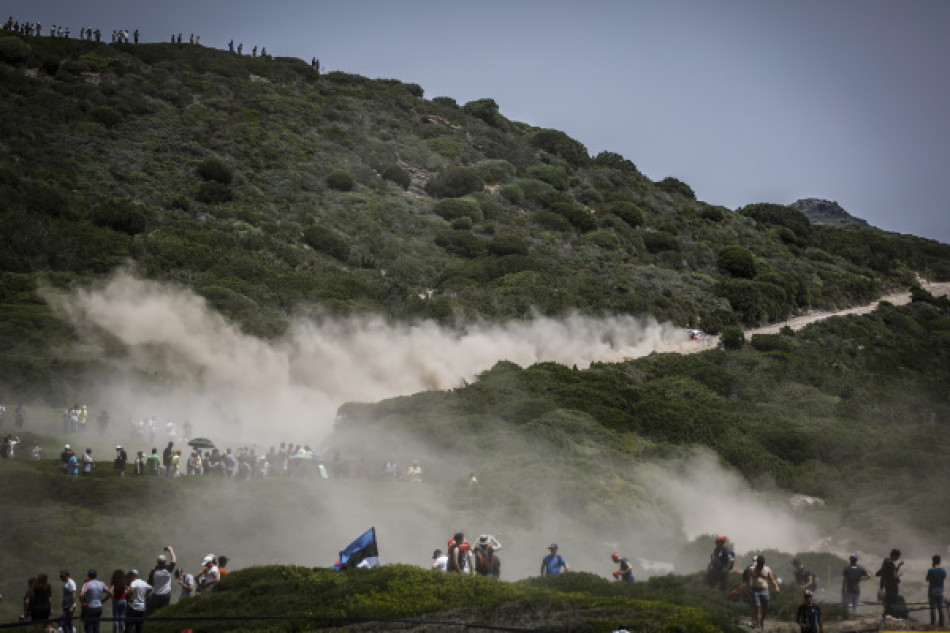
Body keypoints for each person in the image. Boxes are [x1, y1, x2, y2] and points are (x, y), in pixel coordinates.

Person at [747, 555, 780, 630]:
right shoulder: (752, 569)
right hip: (755, 591)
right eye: (759, 563)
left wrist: (776, 586)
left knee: (765, 609)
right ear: (757, 562)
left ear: (763, 563)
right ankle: (759, 626)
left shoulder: (767, 569)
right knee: (758, 609)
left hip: (765, 591)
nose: (760, 565)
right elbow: (748, 579)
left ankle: (761, 622)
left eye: (761, 563)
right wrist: (749, 588)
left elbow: (772, 579)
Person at [146, 547, 176, 614]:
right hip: (166, 594)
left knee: (155, 612)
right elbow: (174, 561)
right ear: (165, 562)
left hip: (156, 594)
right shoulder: (168, 570)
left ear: (157, 562)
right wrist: (171, 550)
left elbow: (150, 584)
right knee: (164, 612)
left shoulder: (153, 572)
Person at [876, 548, 903, 618]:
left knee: (887, 602)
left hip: (885, 586)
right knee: (892, 601)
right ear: (894, 555)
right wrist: (900, 574)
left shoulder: (885, 561)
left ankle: (886, 615)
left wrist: (899, 566)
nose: (897, 559)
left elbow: (879, 573)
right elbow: (895, 576)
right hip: (892, 587)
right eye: (897, 557)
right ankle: (890, 616)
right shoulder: (891, 564)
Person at [926, 554, 946, 627]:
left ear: (933, 561)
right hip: (940, 591)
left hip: (932, 591)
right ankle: (941, 624)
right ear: (940, 561)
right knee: (940, 608)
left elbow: (927, 579)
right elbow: (943, 579)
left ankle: (933, 623)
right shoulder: (944, 570)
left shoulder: (931, 570)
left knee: (933, 608)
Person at [109, 569, 127, 633]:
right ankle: (122, 631)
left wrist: (113, 597)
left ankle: (116, 632)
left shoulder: (114, 585)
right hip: (124, 601)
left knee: (116, 619)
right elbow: (128, 590)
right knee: (122, 618)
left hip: (116, 601)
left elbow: (110, 592)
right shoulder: (124, 584)